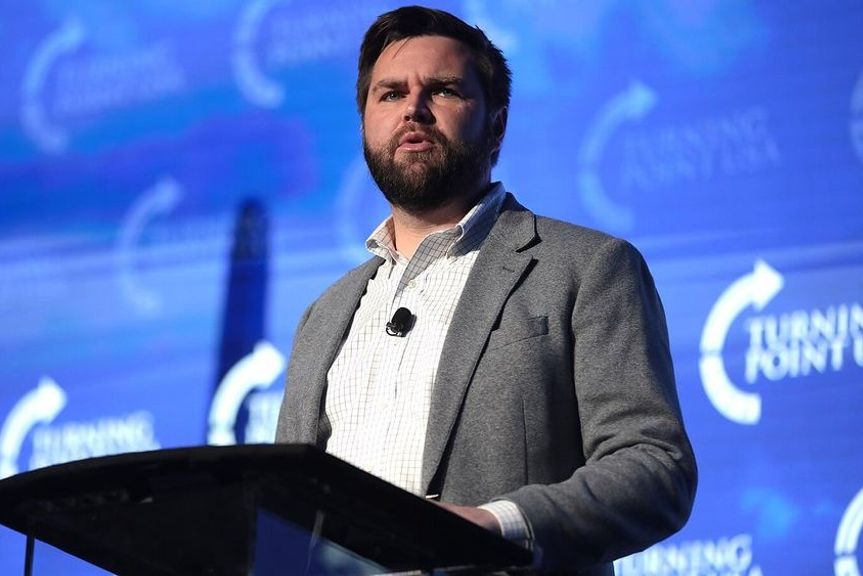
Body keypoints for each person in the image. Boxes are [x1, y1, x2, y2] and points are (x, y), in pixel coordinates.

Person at [275, 6, 696, 574]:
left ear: (496, 125)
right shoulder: (323, 316)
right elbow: (281, 514)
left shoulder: (588, 268)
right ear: (365, 124)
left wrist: (499, 525)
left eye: (443, 91)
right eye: (390, 94)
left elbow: (654, 467)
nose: (413, 111)